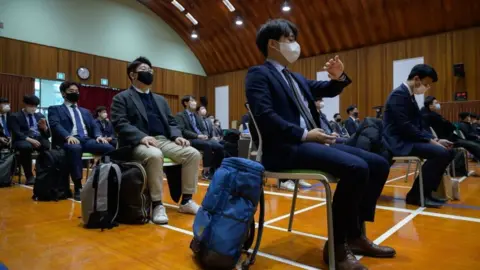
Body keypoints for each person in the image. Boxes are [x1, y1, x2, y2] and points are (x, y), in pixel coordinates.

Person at [246, 19, 395, 270]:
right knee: (356, 168)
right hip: (284, 148)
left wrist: (339, 77)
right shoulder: (258, 74)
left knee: (379, 164)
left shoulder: (295, 78)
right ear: (273, 44)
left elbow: (325, 88)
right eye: (290, 39)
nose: (296, 44)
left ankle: (355, 235)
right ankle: (337, 247)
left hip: (312, 142)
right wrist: (304, 134)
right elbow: (265, 116)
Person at [111, 56, 201, 225]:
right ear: (132, 75)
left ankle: (187, 201)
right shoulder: (121, 98)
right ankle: (157, 204)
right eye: (144, 70)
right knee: (154, 155)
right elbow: (120, 123)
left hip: (163, 140)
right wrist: (142, 136)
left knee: (192, 154)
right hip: (138, 142)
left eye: (151, 71)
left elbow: (172, 122)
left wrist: (177, 136)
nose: (149, 73)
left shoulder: (160, 99)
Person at [383, 64, 455, 208]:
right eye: (426, 84)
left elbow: (418, 125)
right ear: (417, 79)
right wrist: (430, 141)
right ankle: (416, 195)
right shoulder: (399, 94)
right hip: (398, 141)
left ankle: (425, 193)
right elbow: (405, 126)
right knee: (440, 153)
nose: (426, 87)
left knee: (448, 151)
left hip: (408, 138)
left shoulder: (409, 95)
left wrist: (435, 139)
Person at [48, 82, 115, 201]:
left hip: (86, 140)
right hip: (70, 140)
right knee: (75, 148)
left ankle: (105, 180)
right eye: (71, 91)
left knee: (109, 147)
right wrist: (68, 136)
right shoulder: (55, 109)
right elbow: (55, 125)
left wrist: (98, 135)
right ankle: (78, 187)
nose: (75, 93)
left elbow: (94, 126)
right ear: (63, 93)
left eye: (77, 91)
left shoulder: (85, 111)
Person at [175, 95, 224, 180]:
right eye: (192, 100)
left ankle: (214, 169)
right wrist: (197, 136)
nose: (195, 103)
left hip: (202, 138)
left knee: (220, 146)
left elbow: (202, 128)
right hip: (191, 139)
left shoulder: (197, 115)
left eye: (195, 101)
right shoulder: (180, 115)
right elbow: (183, 131)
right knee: (207, 145)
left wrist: (205, 135)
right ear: (186, 103)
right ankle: (206, 172)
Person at [10, 95, 50, 185]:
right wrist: (29, 140)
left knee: (47, 145)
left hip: (37, 138)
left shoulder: (40, 115)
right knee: (26, 147)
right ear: (25, 105)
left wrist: (45, 128)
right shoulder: (15, 116)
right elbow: (17, 133)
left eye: (35, 106)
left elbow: (48, 135)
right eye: (31, 106)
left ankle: (41, 171)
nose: (33, 109)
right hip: (22, 140)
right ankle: (29, 176)